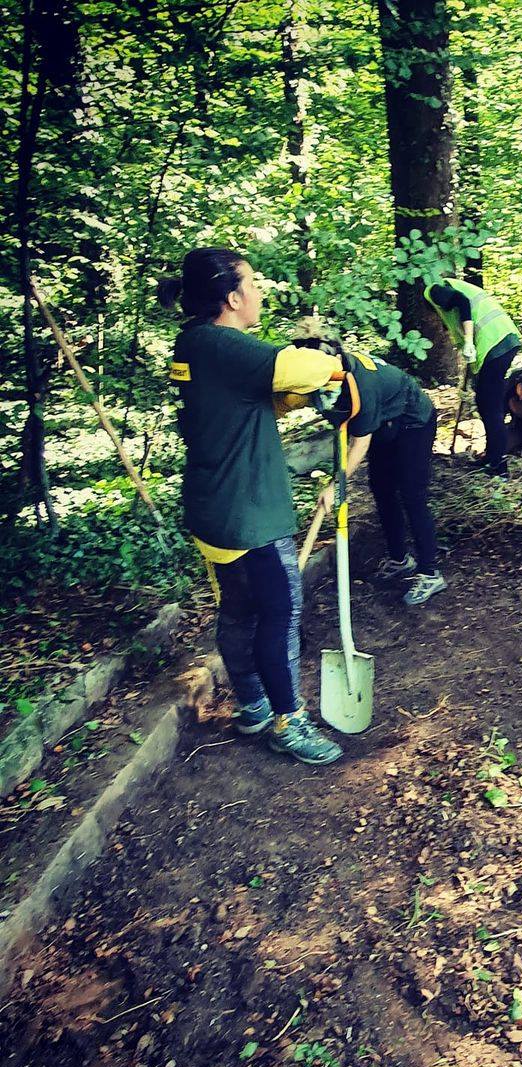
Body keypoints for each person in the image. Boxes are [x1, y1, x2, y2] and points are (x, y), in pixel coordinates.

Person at [161, 247, 343, 765]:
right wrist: (334, 359)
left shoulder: (194, 343)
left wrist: (289, 398)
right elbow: (307, 367)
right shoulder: (223, 344)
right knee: (280, 614)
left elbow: (242, 402)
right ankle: (289, 721)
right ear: (233, 297)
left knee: (239, 610)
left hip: (213, 509)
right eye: (253, 285)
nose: (260, 293)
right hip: (248, 514)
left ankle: (254, 705)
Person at [303, 320, 446, 607]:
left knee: (411, 494)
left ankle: (430, 573)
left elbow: (360, 444)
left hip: (412, 421)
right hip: (384, 424)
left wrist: (335, 487)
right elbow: (344, 425)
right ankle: (399, 559)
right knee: (381, 489)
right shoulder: (320, 378)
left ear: (334, 358)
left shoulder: (359, 383)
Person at [424, 278, 521, 477]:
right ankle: (493, 457)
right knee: (487, 402)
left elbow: (462, 302)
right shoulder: (450, 303)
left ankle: (498, 466)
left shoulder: (432, 291)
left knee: (489, 404)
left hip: (495, 342)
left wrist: (468, 341)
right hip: (503, 340)